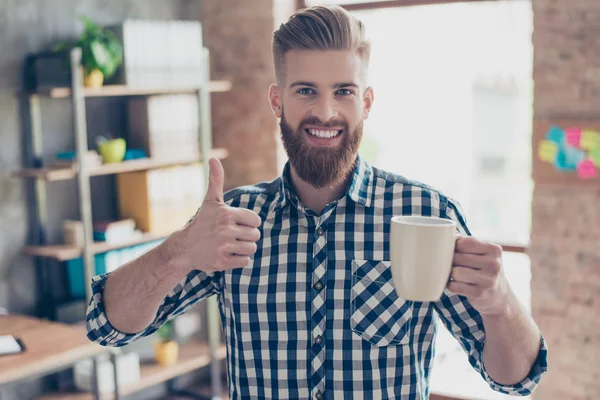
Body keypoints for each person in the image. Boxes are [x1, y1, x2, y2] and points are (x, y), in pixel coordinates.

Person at [86, 5, 547, 399]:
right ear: (277, 100)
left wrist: (500, 301)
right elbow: (107, 325)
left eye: (343, 92)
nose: (325, 112)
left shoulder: (428, 216)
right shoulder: (232, 222)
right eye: (306, 90)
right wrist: (178, 251)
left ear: (365, 102)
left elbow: (517, 381)